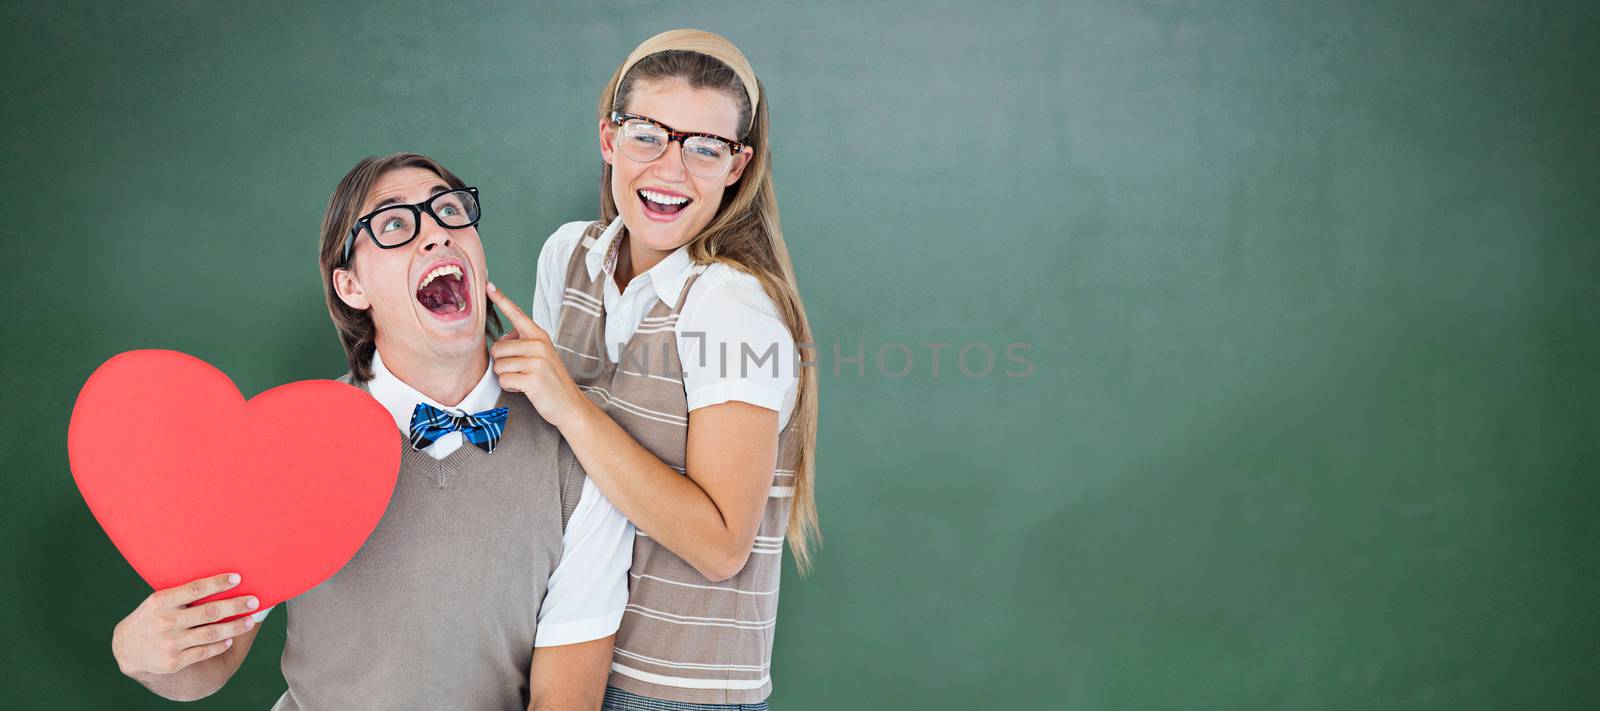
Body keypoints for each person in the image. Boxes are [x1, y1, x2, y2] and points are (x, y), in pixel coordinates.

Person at [108, 153, 633, 710]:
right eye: (393, 225)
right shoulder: (297, 442)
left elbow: (566, 700)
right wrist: (139, 652)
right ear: (351, 287)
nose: (435, 235)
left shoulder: (577, 450)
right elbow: (208, 667)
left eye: (450, 212)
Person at [485, 29, 818, 710]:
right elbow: (556, 468)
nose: (670, 169)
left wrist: (568, 406)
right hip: (562, 661)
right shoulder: (569, 257)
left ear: (737, 165)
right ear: (609, 139)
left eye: (704, 147)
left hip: (671, 692)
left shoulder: (732, 306)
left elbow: (722, 545)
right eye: (647, 135)